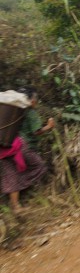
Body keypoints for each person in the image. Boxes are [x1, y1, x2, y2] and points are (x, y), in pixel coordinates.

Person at [0, 86, 55, 215]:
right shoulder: (30, 112)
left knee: (11, 175)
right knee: (39, 166)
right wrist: (49, 126)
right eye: (35, 99)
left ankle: (15, 207)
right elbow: (36, 131)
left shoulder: (13, 112)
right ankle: (24, 186)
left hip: (4, 146)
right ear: (32, 101)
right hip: (20, 145)